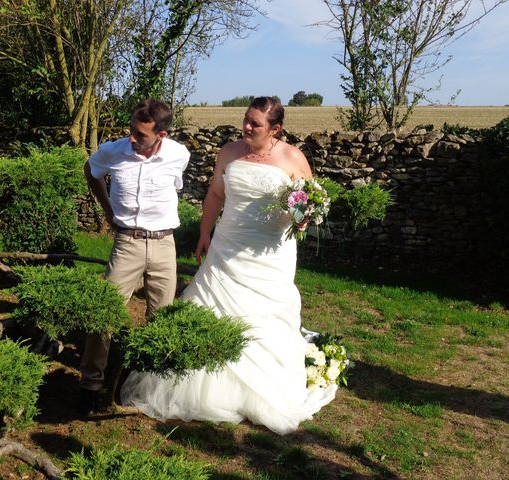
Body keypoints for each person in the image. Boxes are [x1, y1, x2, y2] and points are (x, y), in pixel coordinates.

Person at [120, 96, 338, 435]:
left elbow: (307, 207)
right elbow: (216, 195)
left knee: (266, 316)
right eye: (246, 119)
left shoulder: (293, 158)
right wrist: (205, 232)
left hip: (269, 253)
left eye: (255, 124)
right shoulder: (229, 151)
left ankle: (262, 389)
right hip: (226, 245)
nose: (247, 127)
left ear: (275, 129)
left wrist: (303, 216)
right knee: (208, 306)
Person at [78, 98, 190, 416]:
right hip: (126, 243)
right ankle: (90, 384)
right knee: (104, 312)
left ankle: (149, 386)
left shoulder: (178, 155)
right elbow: (91, 171)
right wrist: (107, 210)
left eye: (140, 134)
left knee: (162, 318)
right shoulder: (114, 151)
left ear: (161, 135)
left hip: (164, 245)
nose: (132, 138)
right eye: (131, 131)